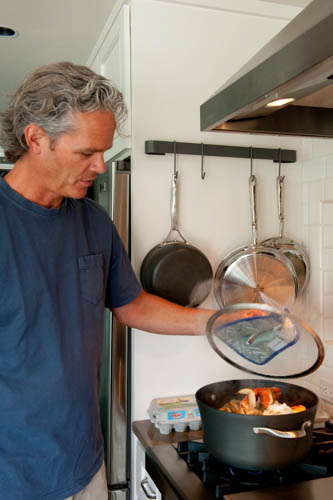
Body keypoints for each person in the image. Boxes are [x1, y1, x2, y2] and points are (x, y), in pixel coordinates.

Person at [0, 61, 215, 500]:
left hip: (84, 462)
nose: (100, 165)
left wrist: (216, 324)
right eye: (86, 153)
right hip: (12, 475)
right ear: (36, 138)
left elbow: (131, 305)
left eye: (104, 151)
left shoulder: (93, 221)